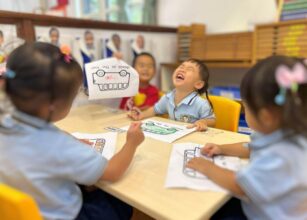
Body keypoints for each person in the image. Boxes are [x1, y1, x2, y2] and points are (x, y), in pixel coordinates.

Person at [0, 42, 145, 220]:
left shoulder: (6, 119)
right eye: (73, 97)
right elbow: (113, 171)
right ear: (52, 105)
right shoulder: (58, 146)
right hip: (63, 215)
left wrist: (67, 138)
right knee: (121, 201)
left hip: (19, 210)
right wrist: (132, 143)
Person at [186, 55, 307, 220]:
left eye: (247, 107)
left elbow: (240, 186)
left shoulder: (283, 154)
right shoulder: (285, 131)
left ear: (265, 117)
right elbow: (250, 147)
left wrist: (208, 168)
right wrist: (222, 148)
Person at [128, 58, 216, 131]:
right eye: (181, 66)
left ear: (198, 84)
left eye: (189, 69)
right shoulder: (168, 97)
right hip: (173, 135)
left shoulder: (201, 104)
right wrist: (141, 115)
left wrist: (203, 122)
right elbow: (155, 110)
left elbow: (212, 120)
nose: (182, 69)